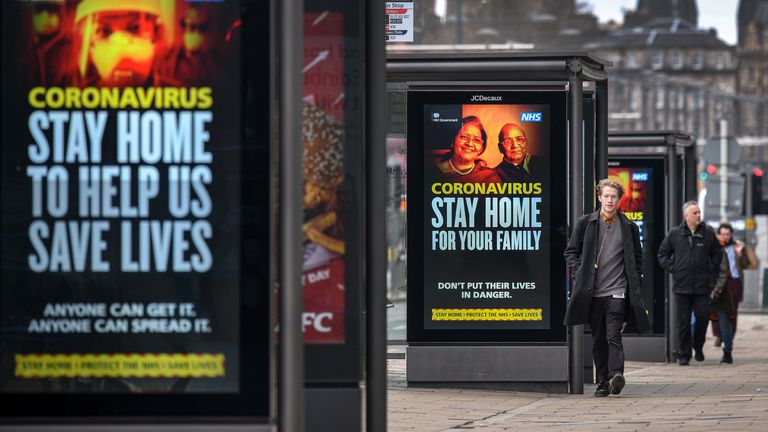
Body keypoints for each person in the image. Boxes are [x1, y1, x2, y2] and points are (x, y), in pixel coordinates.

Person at [564, 179, 650, 397]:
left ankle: (616, 375)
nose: (610, 200)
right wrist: (579, 272)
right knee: (599, 339)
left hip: (617, 291)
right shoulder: (585, 223)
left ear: (618, 199)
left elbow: (638, 259)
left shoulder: (629, 226)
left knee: (614, 335)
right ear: (599, 198)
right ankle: (602, 381)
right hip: (592, 292)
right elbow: (570, 253)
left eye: (614, 196)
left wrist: (635, 281)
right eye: (606, 196)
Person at [657, 201, 722, 365]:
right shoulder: (675, 234)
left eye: (699, 212)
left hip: (702, 286)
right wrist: (674, 269)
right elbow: (662, 254)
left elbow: (717, 254)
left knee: (702, 317)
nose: (698, 215)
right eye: (695, 213)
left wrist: (710, 270)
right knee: (683, 322)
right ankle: (684, 355)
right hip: (682, 285)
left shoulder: (708, 233)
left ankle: (698, 346)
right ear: (686, 216)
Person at [71, 0, 167, 87]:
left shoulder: (175, 93)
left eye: (135, 28)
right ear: (90, 47)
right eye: (104, 31)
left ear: (157, 34)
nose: (121, 45)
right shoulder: (78, 97)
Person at [710, 223, 756, 347]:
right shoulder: (714, 247)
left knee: (732, 311)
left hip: (734, 282)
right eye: (723, 234)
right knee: (716, 310)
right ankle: (719, 335)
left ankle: (730, 336)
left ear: (731, 235)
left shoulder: (737, 247)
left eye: (728, 234)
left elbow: (749, 264)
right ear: (719, 234)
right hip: (719, 282)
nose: (725, 237)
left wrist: (741, 254)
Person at [432, 116, 501, 183]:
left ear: (481, 148)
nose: (470, 144)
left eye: (477, 140)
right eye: (463, 137)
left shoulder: (489, 177)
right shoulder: (433, 173)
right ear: (452, 141)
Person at [709, 248, 735, 364]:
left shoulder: (720, 251)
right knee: (694, 322)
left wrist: (716, 291)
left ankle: (727, 353)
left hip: (720, 295)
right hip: (702, 292)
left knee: (724, 325)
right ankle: (692, 349)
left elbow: (723, 273)